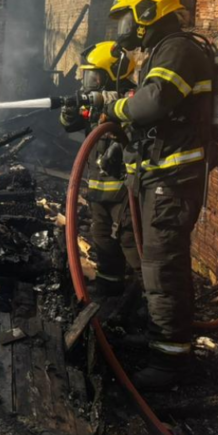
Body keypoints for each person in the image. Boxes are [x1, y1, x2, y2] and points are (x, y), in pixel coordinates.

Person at [100, 0, 213, 389]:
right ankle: (157, 333)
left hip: (173, 176)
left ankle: (171, 362)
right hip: (158, 173)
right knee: (153, 260)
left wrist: (115, 106)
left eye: (126, 17)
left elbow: (153, 103)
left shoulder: (179, 49)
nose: (123, 27)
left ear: (149, 11)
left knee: (163, 264)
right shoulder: (161, 52)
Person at [60, 42, 139, 298]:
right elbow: (70, 125)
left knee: (131, 243)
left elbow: (136, 132)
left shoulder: (132, 101)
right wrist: (69, 110)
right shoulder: (97, 102)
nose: (88, 82)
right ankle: (109, 292)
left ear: (111, 75)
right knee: (102, 239)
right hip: (97, 189)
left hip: (125, 192)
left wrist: (118, 146)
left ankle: (147, 300)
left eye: (93, 76)